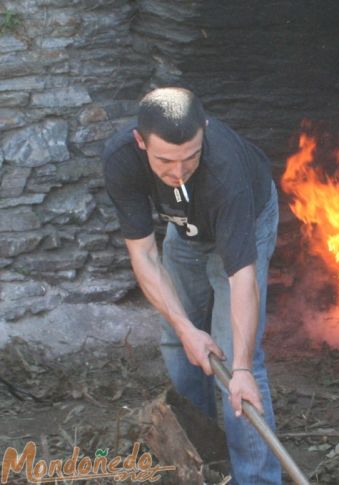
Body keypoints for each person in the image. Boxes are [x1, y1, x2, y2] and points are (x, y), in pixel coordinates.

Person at [103, 87, 281, 483]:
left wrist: (239, 368)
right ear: (140, 141)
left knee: (239, 361)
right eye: (165, 161)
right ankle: (201, 456)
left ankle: (256, 477)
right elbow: (145, 255)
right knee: (178, 343)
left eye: (191, 158)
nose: (179, 173)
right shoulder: (121, 160)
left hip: (244, 223)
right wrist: (186, 329)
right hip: (185, 232)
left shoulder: (226, 170)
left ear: (204, 131)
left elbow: (242, 277)